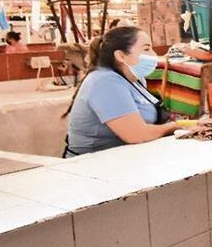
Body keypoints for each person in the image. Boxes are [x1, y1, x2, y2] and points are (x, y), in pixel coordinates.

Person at [63, 26, 179, 156]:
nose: (154, 55)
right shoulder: (104, 81)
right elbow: (137, 134)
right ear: (121, 55)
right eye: (146, 49)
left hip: (127, 157)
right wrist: (177, 127)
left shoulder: (136, 80)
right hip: (92, 165)